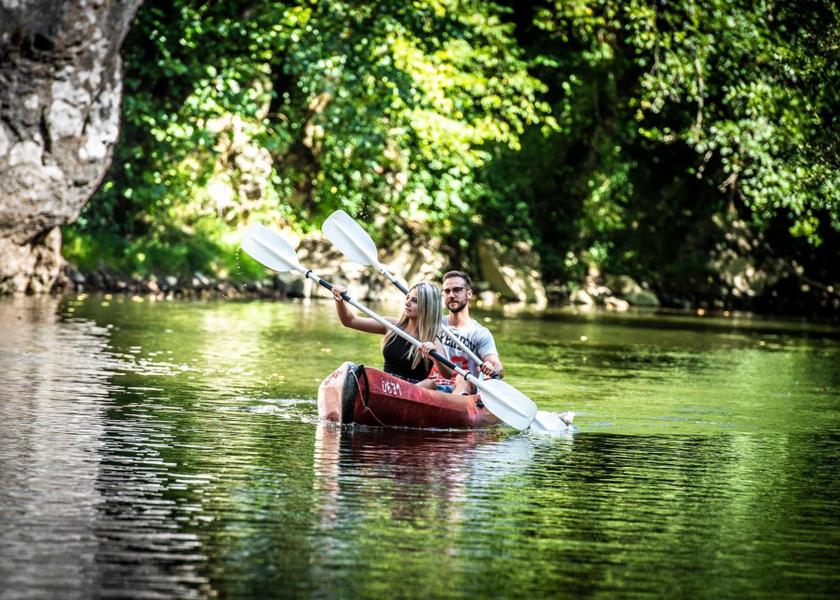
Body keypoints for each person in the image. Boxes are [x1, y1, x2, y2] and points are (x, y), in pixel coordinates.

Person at [331, 281, 448, 384]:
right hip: (386, 385)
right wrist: (339, 300)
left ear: (427, 307)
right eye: (408, 297)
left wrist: (435, 356)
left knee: (430, 384)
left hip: (413, 392)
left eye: (414, 301)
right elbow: (350, 321)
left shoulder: (432, 339)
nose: (407, 303)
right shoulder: (391, 326)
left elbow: (448, 374)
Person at [431, 270, 504, 394]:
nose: (451, 295)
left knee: (463, 381)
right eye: (447, 291)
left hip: (464, 390)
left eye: (457, 290)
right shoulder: (433, 325)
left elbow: (498, 368)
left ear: (469, 294)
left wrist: (491, 368)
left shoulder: (480, 333)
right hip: (434, 385)